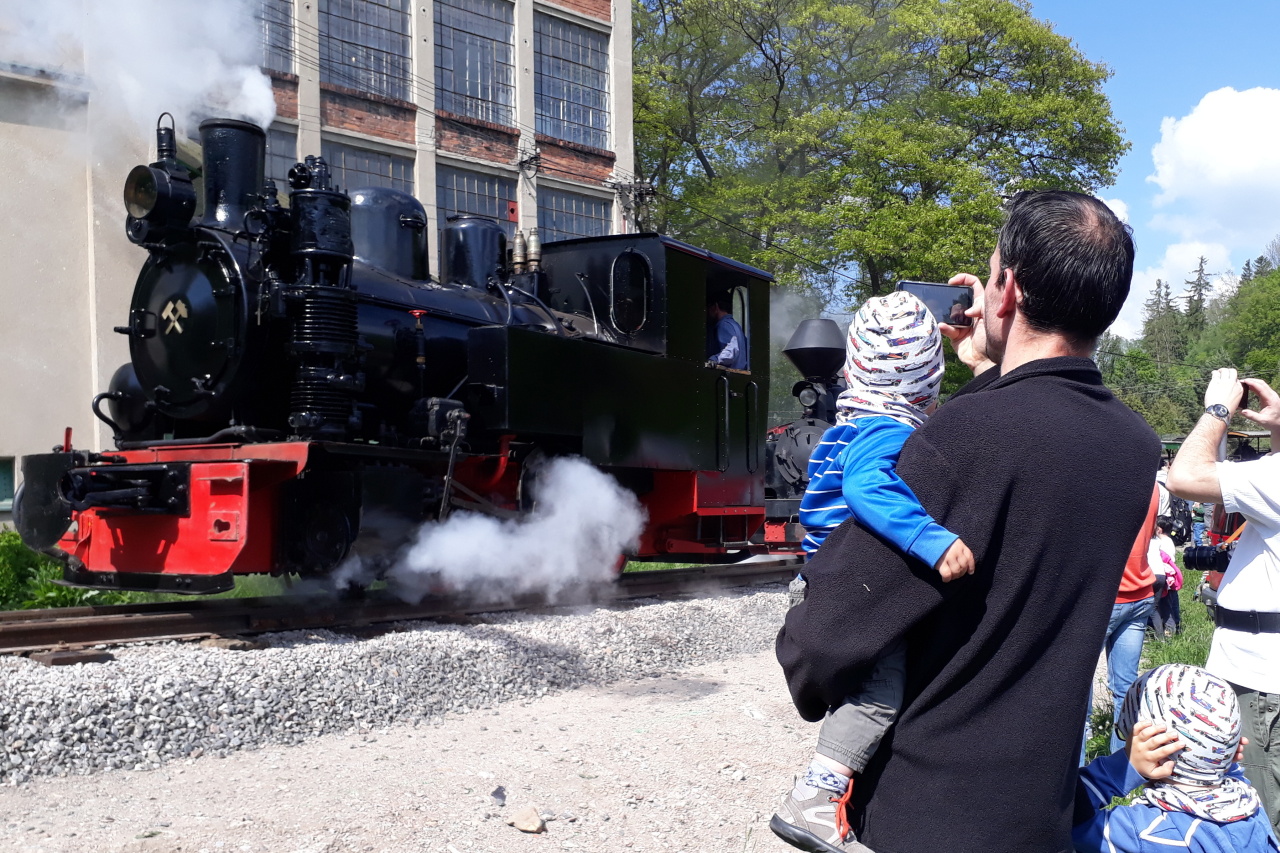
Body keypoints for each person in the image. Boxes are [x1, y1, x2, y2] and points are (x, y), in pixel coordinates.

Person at [775, 190, 1161, 853]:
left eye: (991, 276)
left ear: (1009, 291)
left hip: (928, 806)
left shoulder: (963, 435)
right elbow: (1034, 440)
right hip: (1041, 805)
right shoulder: (1135, 447)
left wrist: (803, 659)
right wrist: (987, 363)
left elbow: (832, 629)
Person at [773, 292, 975, 852]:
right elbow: (867, 488)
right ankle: (815, 798)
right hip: (845, 587)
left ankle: (838, 798)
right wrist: (932, 540)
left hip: (825, 580)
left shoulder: (851, 424)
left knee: (865, 690)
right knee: (878, 695)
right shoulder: (887, 430)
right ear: (925, 383)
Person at [1167, 367, 1280, 836]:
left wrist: (1217, 410)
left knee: (1258, 812)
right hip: (1261, 670)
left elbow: (1185, 477)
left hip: (1260, 678)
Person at [1073, 663, 1280, 852]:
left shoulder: (1141, 834)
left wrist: (1122, 768)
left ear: (1158, 750)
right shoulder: (1249, 806)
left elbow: (1063, 818)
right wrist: (1220, 758)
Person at [706, 292, 748, 370]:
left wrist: (714, 359)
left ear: (715, 306)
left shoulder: (724, 325)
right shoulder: (736, 326)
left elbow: (731, 351)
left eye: (709, 306)